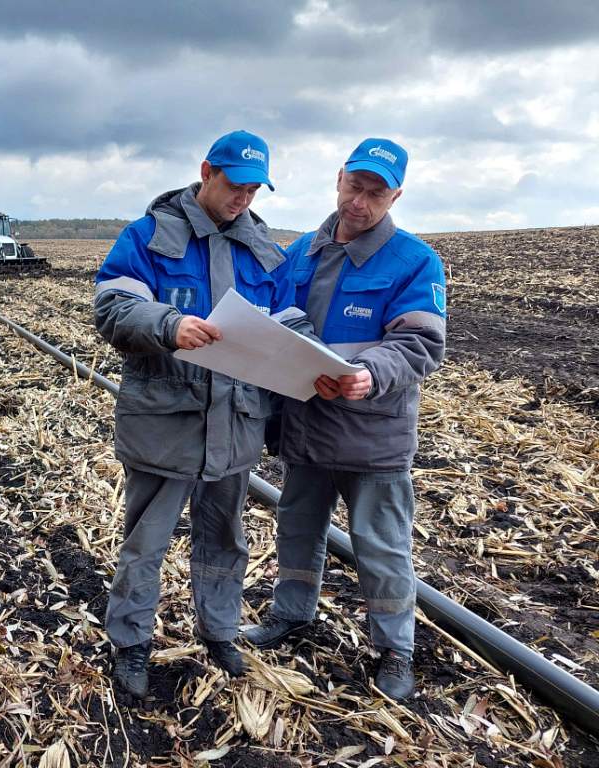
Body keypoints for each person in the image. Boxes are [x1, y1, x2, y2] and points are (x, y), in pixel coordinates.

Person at [93, 130, 314, 698]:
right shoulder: (148, 236)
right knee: (147, 540)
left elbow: (290, 322)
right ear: (206, 172)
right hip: (165, 422)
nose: (244, 198)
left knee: (225, 539)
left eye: (254, 189)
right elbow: (114, 307)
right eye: (235, 185)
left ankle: (219, 633)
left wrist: (308, 357)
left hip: (235, 425)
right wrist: (168, 325)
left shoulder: (266, 250)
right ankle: (132, 644)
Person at [241, 138, 447, 701]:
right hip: (305, 426)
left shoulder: (414, 260)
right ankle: (291, 615)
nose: (361, 201)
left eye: (376, 192)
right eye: (355, 185)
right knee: (297, 529)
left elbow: (420, 344)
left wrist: (369, 373)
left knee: (381, 545)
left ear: (395, 195)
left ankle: (394, 649)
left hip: (372, 435)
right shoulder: (302, 251)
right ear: (338, 178)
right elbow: (273, 319)